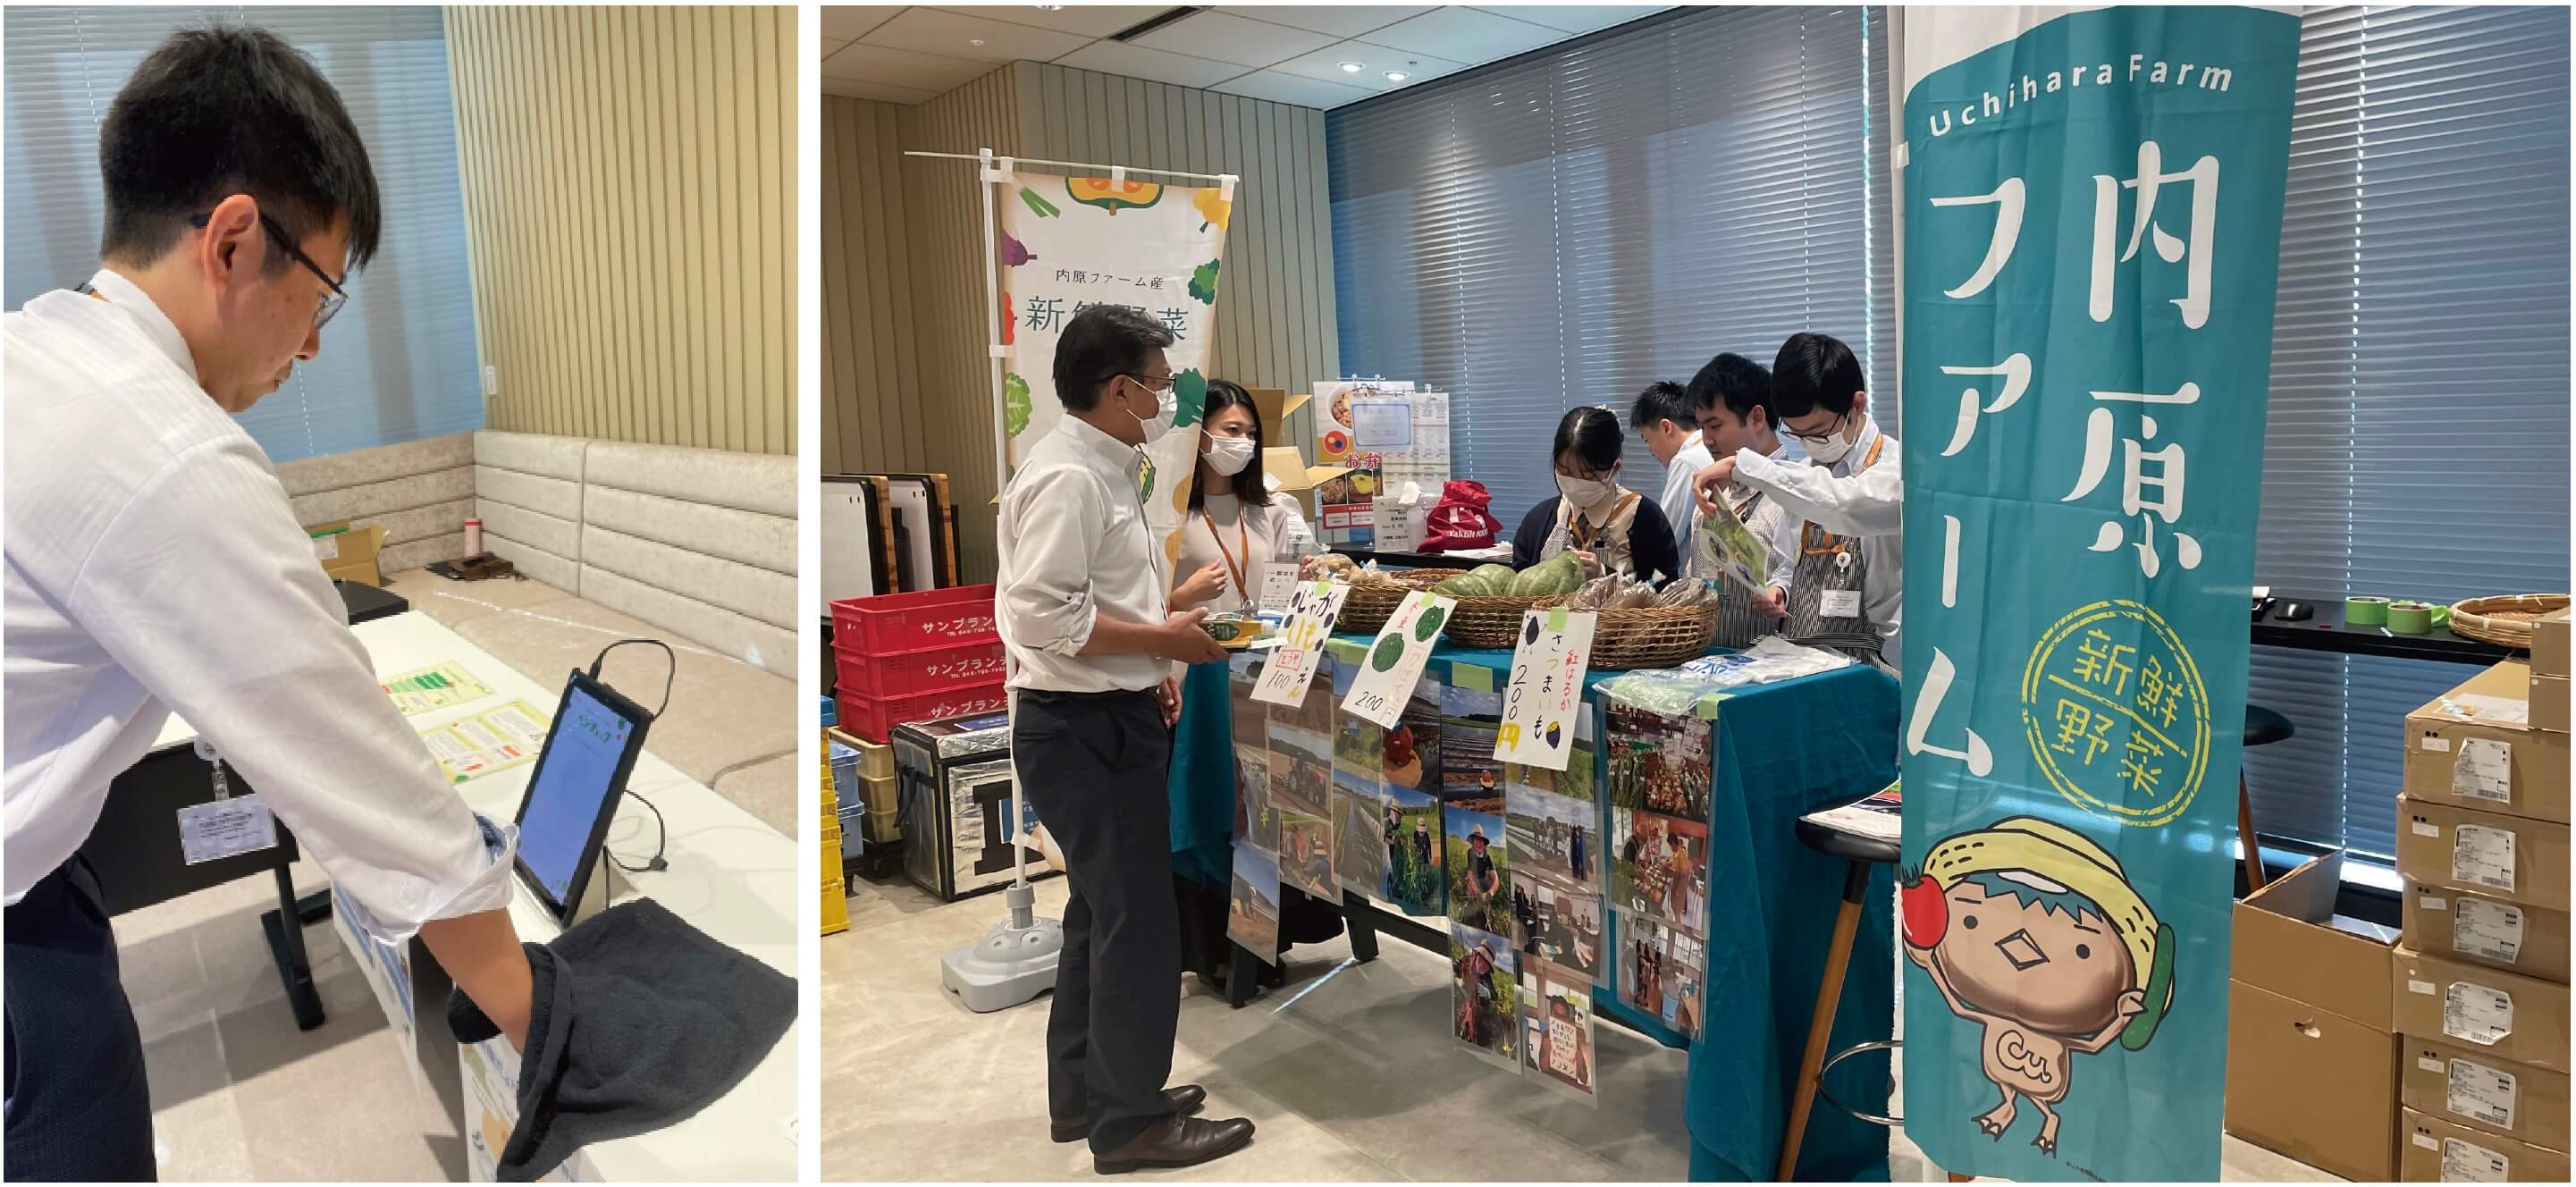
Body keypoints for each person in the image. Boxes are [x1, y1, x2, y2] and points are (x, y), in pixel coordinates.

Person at [3, 29, 538, 1178]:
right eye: (323, 296)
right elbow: (365, 778)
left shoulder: (38, 351)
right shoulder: (161, 448)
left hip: (41, 877)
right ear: (236, 239)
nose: (309, 345)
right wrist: (553, 1026)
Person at [995, 304, 1254, 1172]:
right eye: (1158, 379)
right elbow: (1040, 615)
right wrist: (1164, 640)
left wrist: (1164, 622)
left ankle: (1086, 1095)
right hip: (1083, 728)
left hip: (1107, 714)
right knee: (1137, 923)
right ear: (1117, 388)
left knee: (1098, 914)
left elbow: (1087, 597)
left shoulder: (1108, 467)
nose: (1169, 394)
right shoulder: (1070, 475)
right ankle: (1130, 1120)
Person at [1162, 379, 1334, 993]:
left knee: (1272, 810)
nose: (1241, 443)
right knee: (1210, 808)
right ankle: (1211, 949)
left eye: (1249, 433)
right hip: (1193, 685)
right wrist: (1180, 597)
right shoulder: (1167, 517)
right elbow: (1136, 606)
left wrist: (1315, 571)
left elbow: (1305, 578)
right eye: (1229, 431)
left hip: (1268, 679)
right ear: (1199, 435)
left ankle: (1263, 943)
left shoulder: (1274, 509)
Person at [1694, 333, 1903, 672]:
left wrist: (1744, 466)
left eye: (1819, 432)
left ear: (1857, 404)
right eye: (1798, 435)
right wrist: (1779, 590)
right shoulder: (1805, 476)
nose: (1810, 445)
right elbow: (1788, 563)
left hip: (1871, 661)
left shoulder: (1895, 469)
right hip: (1802, 659)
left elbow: (1844, 505)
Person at [1683, 352, 1802, 647]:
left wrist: (1779, 596)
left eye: (1715, 425)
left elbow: (1807, 589)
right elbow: (1692, 580)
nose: (1707, 440)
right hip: (1703, 665)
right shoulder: (1712, 493)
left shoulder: (1796, 494)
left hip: (1769, 673)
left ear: (1757, 418)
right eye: (1702, 427)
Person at [1510, 406, 1681, 585]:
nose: (1575, 482)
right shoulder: (1538, 521)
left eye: (1587, 475)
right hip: (1555, 615)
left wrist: (1605, 575)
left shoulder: (1645, 518)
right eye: (1565, 470)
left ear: (1614, 468)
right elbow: (1517, 589)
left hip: (1618, 613)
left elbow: (1666, 591)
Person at [1629, 380, 1716, 536]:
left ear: (1666, 427)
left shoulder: (1686, 461)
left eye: (1648, 440)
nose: (1651, 451)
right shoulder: (1707, 449)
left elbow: (1665, 536)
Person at [1460, 825, 1502, 931]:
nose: (1479, 843)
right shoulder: (1470, 853)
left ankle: (1490, 921)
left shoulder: (1488, 857)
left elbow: (1495, 878)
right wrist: (1473, 887)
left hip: (1485, 883)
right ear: (1473, 843)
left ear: (1484, 843)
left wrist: (1490, 892)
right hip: (1475, 883)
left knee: (1487, 915)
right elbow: (1470, 873)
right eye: (1476, 840)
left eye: (1481, 841)